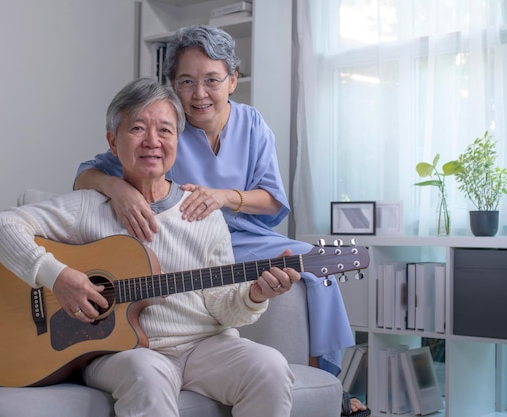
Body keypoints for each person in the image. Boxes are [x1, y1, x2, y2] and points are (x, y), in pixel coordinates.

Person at [74, 24, 369, 416]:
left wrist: (226, 197)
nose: (199, 94)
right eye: (186, 81)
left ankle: (330, 392)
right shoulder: (164, 130)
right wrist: (119, 189)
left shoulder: (253, 124)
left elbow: (272, 201)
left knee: (313, 269)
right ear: (172, 84)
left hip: (243, 235)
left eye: (212, 80)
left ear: (233, 79)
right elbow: (84, 176)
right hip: (180, 240)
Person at [0, 78, 301, 417]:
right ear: (113, 143)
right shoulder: (89, 206)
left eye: (165, 130)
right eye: (137, 128)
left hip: (205, 347)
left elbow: (223, 309)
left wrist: (255, 295)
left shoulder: (203, 212)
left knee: (271, 366)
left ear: (177, 141)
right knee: (147, 373)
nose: (152, 142)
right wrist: (58, 277)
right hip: (122, 352)